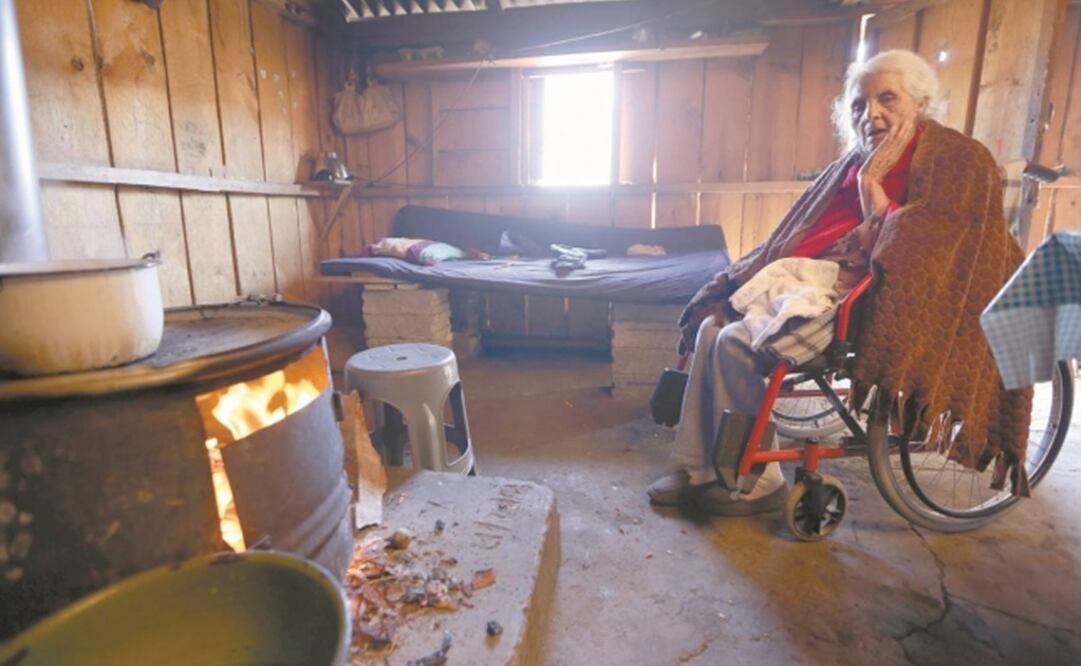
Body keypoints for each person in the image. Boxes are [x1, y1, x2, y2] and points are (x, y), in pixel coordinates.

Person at [649, 49, 1031, 514]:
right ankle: (697, 467)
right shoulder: (848, 163)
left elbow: (927, 250)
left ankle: (757, 479)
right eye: (859, 105)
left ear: (919, 103)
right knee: (713, 325)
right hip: (811, 278)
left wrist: (873, 185)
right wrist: (741, 275)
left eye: (887, 98)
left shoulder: (958, 158)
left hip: (870, 294)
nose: (871, 113)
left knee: (736, 342)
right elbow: (792, 234)